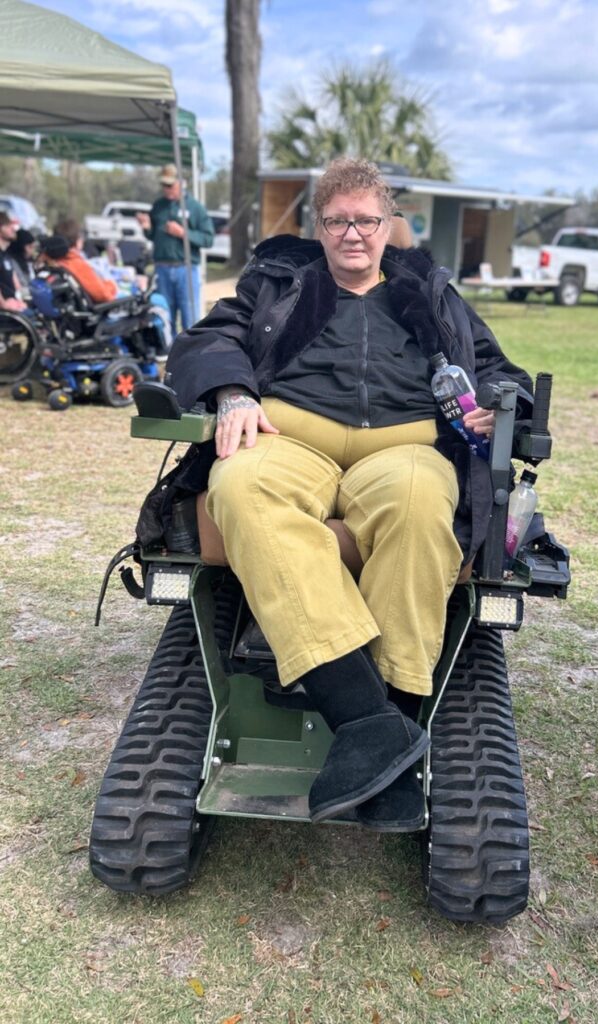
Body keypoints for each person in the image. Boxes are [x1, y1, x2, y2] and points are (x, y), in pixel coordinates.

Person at [163, 158, 533, 832]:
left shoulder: (429, 291)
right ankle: (368, 722)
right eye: (338, 221)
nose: (353, 233)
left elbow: (498, 370)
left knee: (421, 503)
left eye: (366, 219)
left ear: (389, 223)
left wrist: (498, 406)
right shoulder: (278, 282)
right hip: (290, 435)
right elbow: (207, 339)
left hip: (402, 444)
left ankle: (390, 711)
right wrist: (234, 391)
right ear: (319, 226)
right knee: (238, 483)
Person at [136, 164, 214, 333]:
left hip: (185, 269)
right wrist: (147, 227)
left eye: (170, 185)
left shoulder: (195, 208)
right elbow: (153, 236)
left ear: (181, 183)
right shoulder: (158, 206)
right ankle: (168, 354)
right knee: (164, 315)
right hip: (162, 268)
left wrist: (183, 233)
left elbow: (208, 239)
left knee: (190, 317)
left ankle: (190, 356)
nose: (166, 189)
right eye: (164, 185)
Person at [41, 219, 118, 304]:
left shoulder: (53, 261)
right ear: (77, 241)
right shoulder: (75, 264)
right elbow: (103, 296)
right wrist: (112, 285)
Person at [0, 211, 28, 312]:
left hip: (15, 308)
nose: (13, 228)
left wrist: (19, 300)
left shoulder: (6, 256)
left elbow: (16, 284)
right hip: (6, 315)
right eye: (8, 225)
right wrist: (3, 304)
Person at [7, 227, 38, 293]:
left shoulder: (30, 262)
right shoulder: (12, 262)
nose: (32, 251)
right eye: (30, 247)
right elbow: (23, 283)